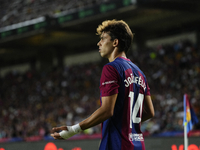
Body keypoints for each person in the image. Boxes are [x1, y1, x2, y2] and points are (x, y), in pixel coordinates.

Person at [50, 19, 154, 150]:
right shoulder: (140, 73)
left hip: (117, 144)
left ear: (115, 42)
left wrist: (74, 129)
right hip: (138, 145)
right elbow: (150, 112)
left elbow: (107, 110)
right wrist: (127, 124)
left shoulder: (111, 68)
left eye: (103, 39)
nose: (99, 43)